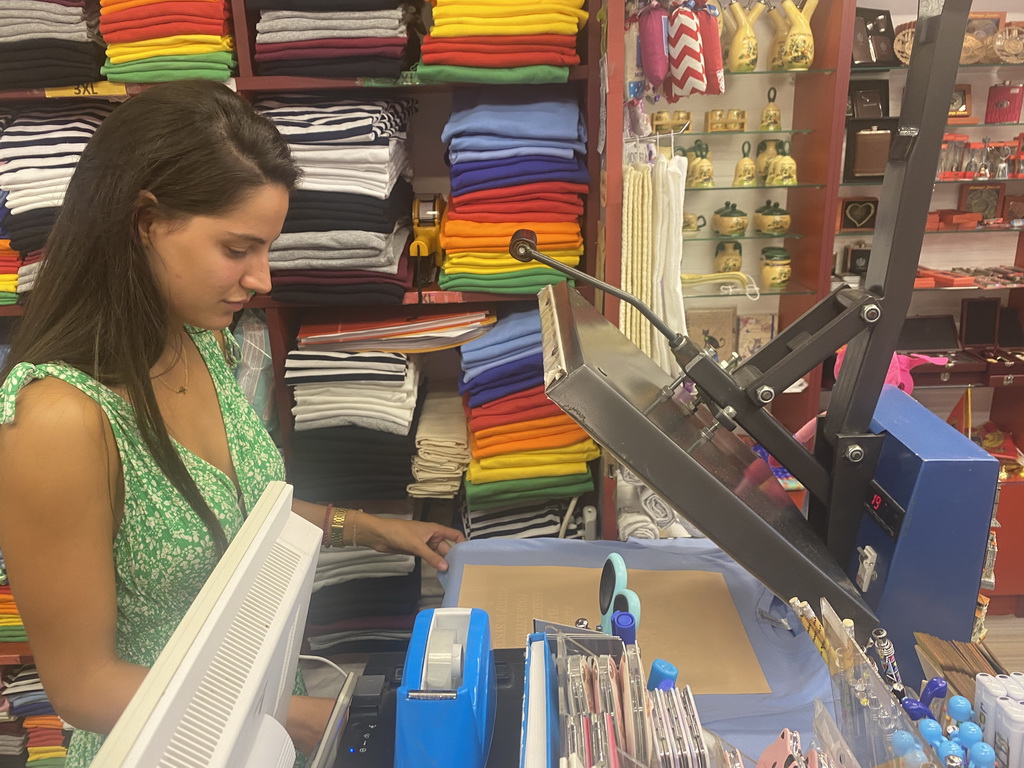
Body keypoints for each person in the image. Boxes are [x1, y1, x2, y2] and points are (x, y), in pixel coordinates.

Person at [0, 80, 466, 766]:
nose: (263, 279)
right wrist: (280, 716)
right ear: (145, 222)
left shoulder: (199, 341)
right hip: (170, 744)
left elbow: (245, 512)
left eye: (268, 248)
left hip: (258, 724)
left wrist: (375, 529)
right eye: (238, 248)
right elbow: (83, 686)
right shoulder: (58, 421)